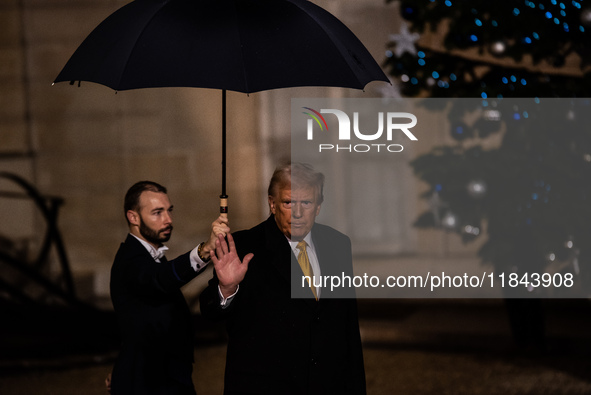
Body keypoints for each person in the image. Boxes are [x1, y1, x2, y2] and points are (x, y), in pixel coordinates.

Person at [200, 163, 366, 395]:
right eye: (288, 202)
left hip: (327, 385)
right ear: (272, 204)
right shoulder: (244, 245)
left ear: (318, 207)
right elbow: (209, 311)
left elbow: (348, 329)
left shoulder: (338, 244)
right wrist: (226, 288)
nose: (297, 213)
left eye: (306, 203)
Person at [109, 180, 241, 395]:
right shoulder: (131, 261)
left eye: (169, 211)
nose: (168, 220)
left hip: (164, 376)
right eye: (157, 213)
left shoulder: (149, 255)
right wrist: (205, 250)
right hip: (150, 383)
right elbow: (162, 278)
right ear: (133, 217)